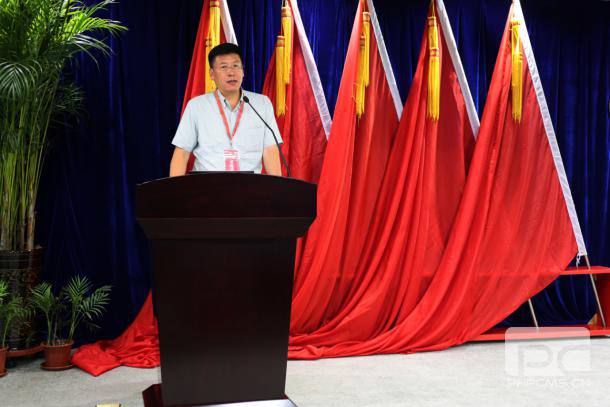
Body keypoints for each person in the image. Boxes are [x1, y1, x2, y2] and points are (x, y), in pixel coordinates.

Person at [169, 43, 283, 176]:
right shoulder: (196, 106)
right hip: (207, 185)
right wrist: (175, 189)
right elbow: (181, 154)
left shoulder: (262, 104)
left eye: (236, 66)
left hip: (249, 185)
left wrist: (277, 189)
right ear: (212, 74)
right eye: (224, 67)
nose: (231, 73)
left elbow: (270, 151)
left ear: (243, 71)